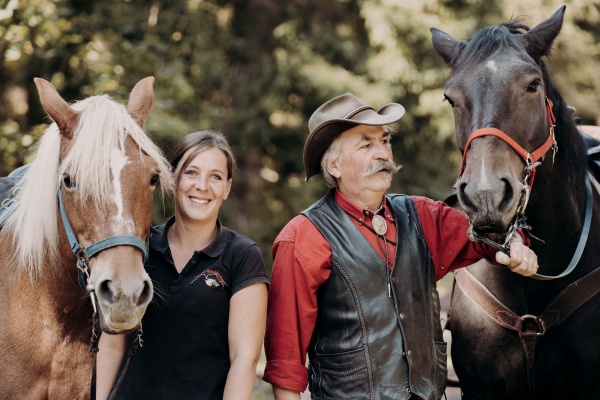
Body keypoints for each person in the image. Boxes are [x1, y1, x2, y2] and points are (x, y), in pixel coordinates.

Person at [262, 93, 539, 400]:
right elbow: (285, 358)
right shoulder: (304, 236)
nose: (383, 153)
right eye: (366, 144)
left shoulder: (422, 215)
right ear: (335, 166)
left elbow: (489, 236)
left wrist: (515, 242)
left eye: (385, 140)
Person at [96, 130, 269, 400]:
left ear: (227, 188)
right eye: (191, 172)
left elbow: (244, 360)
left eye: (216, 177)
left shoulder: (242, 255)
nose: (202, 185)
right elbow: (112, 343)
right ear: (172, 178)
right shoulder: (140, 248)